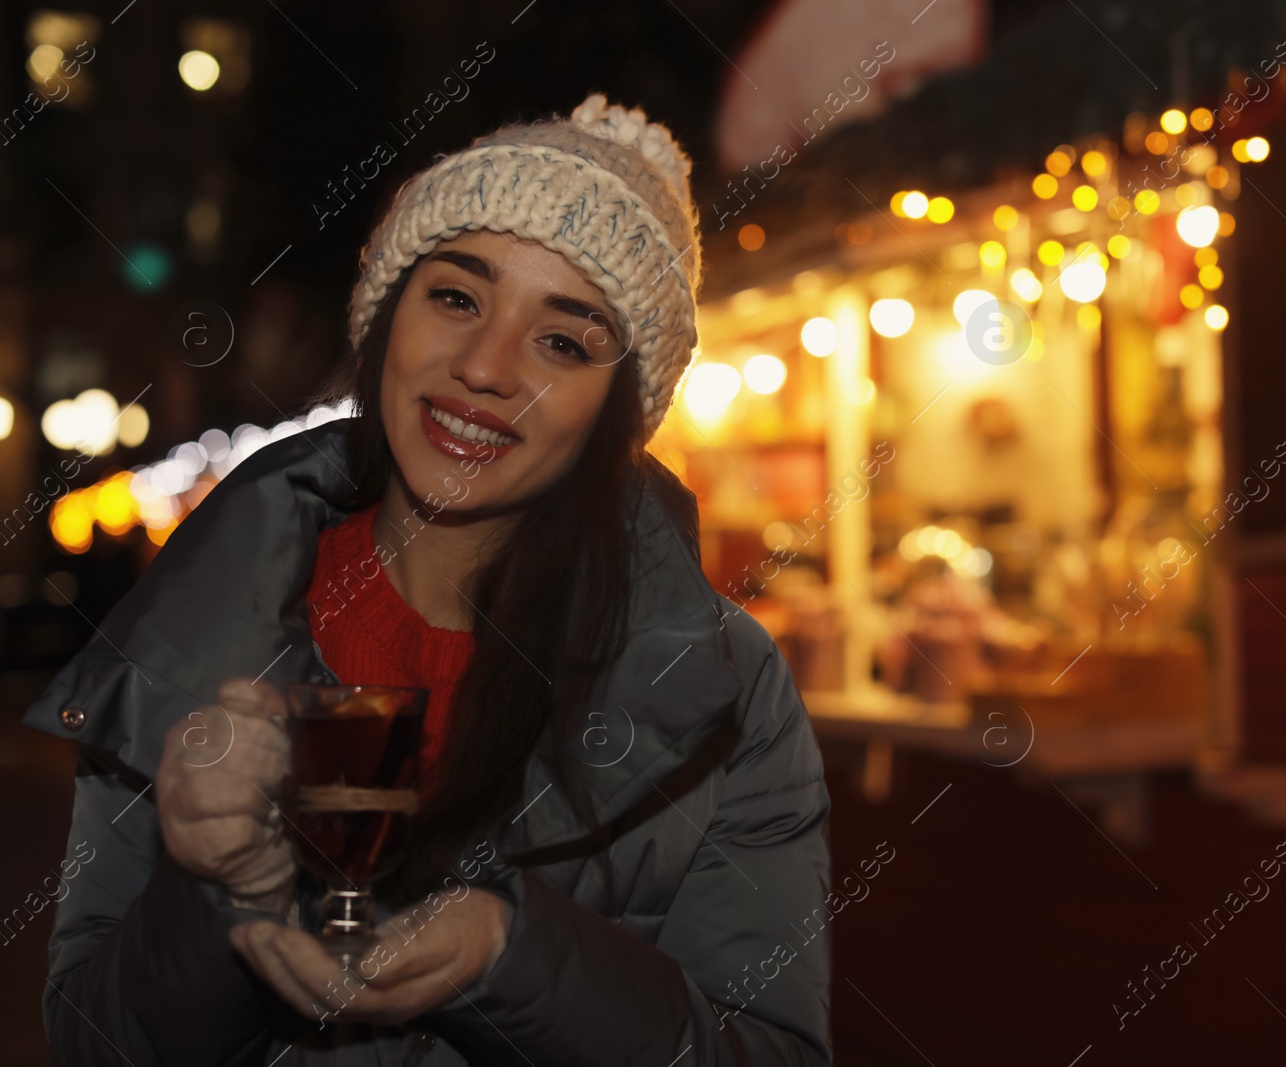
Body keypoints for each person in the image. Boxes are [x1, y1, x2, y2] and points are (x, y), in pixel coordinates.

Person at [23, 94, 833, 1066]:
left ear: (617, 412)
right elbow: (89, 1042)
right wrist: (210, 890)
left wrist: (512, 957)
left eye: (563, 340)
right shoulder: (194, 631)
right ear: (384, 317)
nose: (485, 366)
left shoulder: (726, 690)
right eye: (456, 296)